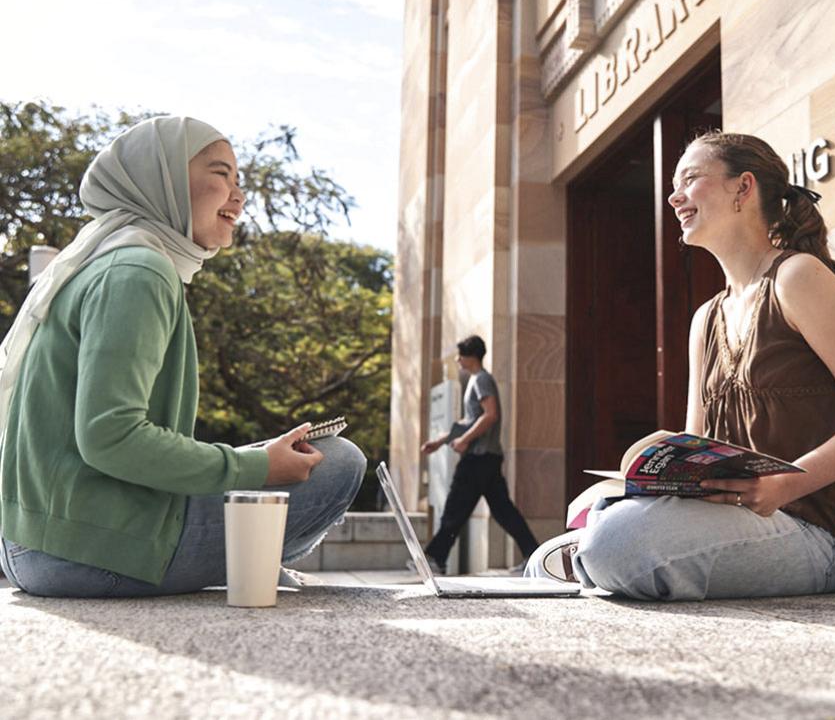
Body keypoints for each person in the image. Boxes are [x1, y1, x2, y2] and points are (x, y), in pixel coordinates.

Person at [526, 131, 835, 600]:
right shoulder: (705, 319)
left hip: (813, 535)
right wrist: (641, 482)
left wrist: (786, 484)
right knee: (588, 533)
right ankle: (598, 548)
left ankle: (596, 552)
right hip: (731, 521)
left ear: (742, 188)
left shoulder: (798, 277)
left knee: (613, 542)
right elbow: (698, 449)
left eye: (690, 179)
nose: (673, 196)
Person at [0, 116, 366, 597]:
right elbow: (110, 438)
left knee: (283, 458)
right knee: (338, 462)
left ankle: (240, 557)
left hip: (45, 540)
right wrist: (254, 468)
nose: (237, 195)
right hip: (85, 551)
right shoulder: (139, 270)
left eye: (239, 181)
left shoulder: (113, 259)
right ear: (163, 179)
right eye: (220, 174)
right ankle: (242, 560)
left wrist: (252, 458)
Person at [418, 335, 539, 574]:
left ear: (470, 357)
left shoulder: (482, 379)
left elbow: (490, 414)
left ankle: (435, 558)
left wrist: (464, 440)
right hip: (486, 458)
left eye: (460, 355)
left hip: (479, 458)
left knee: (456, 507)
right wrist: (441, 441)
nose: (457, 360)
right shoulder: (476, 380)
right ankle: (534, 555)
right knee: (503, 511)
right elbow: (468, 420)